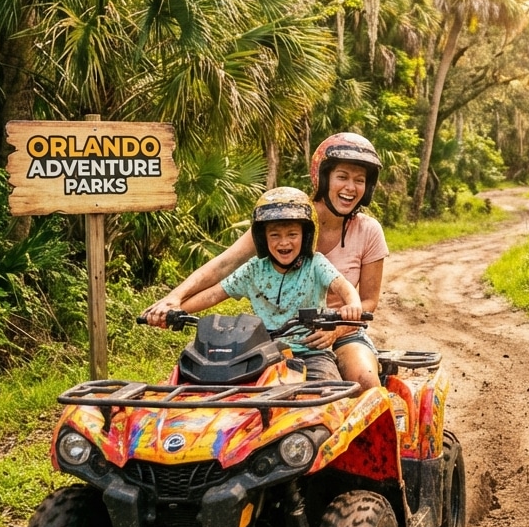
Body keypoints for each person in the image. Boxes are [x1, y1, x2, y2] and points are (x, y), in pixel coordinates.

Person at [143, 132, 388, 390]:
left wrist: (337, 328)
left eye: (359, 180)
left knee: (364, 380)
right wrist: (174, 302)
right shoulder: (289, 216)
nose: (350, 188)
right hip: (277, 335)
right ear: (323, 177)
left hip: (342, 330)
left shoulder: (368, 231)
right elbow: (224, 266)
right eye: (342, 177)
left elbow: (368, 301)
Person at [177, 187, 365, 380]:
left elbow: (342, 286)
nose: (284, 242)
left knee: (324, 392)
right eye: (275, 235)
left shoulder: (316, 264)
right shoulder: (254, 269)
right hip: (261, 352)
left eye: (292, 234)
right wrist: (177, 310)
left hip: (311, 352)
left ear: (306, 236)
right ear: (262, 237)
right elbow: (214, 294)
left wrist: (353, 305)